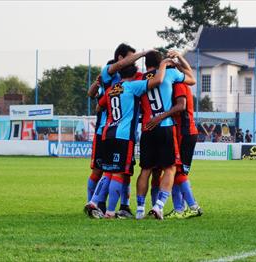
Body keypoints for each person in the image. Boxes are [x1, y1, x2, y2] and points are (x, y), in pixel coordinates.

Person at [96, 58, 173, 219]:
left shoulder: (111, 88)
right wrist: (164, 64)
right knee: (119, 173)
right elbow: (158, 80)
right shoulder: (132, 86)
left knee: (108, 172)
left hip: (107, 133)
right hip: (123, 136)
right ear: (133, 74)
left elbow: (99, 106)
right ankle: (110, 212)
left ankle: (95, 202)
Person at [84, 44, 148, 218]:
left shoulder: (126, 81)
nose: (135, 59)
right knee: (102, 170)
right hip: (107, 131)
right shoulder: (109, 72)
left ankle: (123, 206)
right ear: (121, 58)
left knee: (122, 170)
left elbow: (96, 102)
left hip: (116, 131)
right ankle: (94, 203)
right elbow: (93, 97)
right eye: (132, 57)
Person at [135, 50, 196, 220]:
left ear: (146, 64)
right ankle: (159, 206)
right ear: (161, 61)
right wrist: (176, 62)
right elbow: (192, 78)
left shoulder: (139, 78)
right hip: (165, 126)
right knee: (170, 168)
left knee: (145, 170)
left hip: (147, 128)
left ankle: (140, 209)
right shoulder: (169, 73)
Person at [146, 81, 203, 219]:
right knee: (176, 171)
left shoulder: (178, 85)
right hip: (180, 133)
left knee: (179, 172)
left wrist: (160, 116)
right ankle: (179, 209)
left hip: (185, 132)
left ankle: (194, 206)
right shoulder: (174, 85)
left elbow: (181, 106)